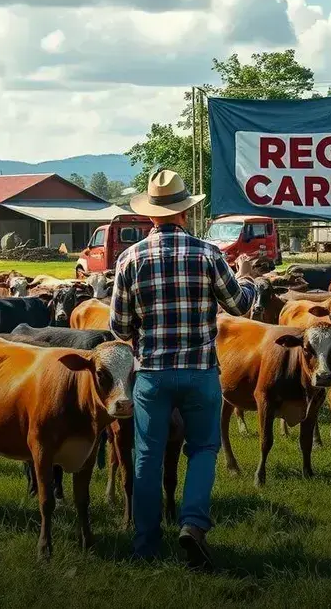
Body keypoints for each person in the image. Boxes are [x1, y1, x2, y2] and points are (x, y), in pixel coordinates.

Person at [110, 168, 257, 568]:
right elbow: (241, 306)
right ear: (184, 214)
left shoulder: (129, 258)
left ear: (150, 215)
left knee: (146, 456)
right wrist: (249, 281)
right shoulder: (209, 254)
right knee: (204, 448)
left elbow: (119, 327)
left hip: (152, 374)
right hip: (200, 371)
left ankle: (145, 545)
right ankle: (192, 523)